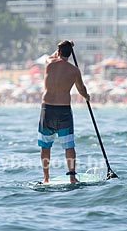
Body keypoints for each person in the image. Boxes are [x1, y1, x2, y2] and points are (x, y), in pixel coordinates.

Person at [38, 40, 90, 184]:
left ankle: (46, 178)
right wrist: (87, 97)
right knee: (69, 145)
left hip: (47, 108)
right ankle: (72, 178)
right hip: (63, 110)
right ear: (70, 54)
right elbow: (81, 89)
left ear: (59, 51)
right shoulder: (74, 71)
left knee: (45, 144)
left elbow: (54, 55)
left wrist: (66, 46)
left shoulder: (49, 62)